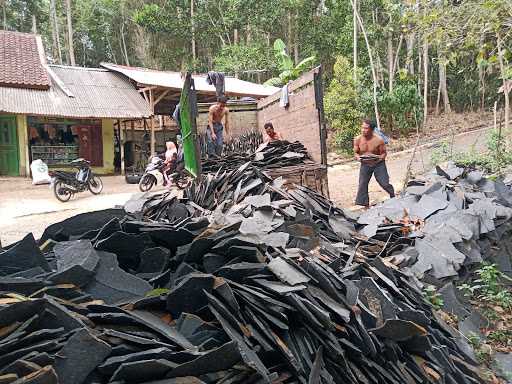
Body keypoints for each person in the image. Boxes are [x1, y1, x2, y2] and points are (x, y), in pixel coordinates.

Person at [354, 119, 395, 207]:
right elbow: (356, 152)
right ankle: (365, 204)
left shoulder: (379, 140)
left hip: (378, 164)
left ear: (372, 130)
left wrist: (378, 158)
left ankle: (392, 195)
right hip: (365, 163)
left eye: (366, 128)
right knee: (362, 184)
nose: (363, 130)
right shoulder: (358, 139)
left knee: (384, 183)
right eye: (362, 128)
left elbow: (384, 153)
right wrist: (358, 157)